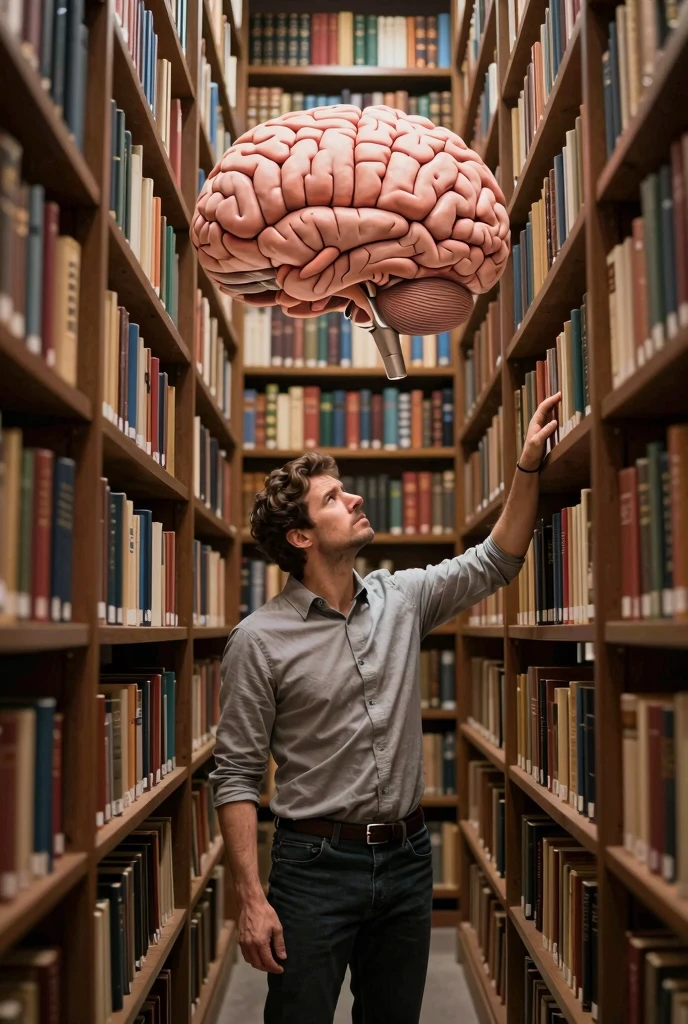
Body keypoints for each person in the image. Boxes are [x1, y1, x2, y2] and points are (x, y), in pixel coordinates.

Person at [210, 392, 561, 1024]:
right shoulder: (258, 640)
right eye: (334, 499)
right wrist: (250, 897)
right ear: (301, 536)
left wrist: (528, 465)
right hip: (313, 867)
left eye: (346, 490)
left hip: (407, 858)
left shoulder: (401, 599)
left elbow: (497, 561)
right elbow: (234, 776)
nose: (355, 500)